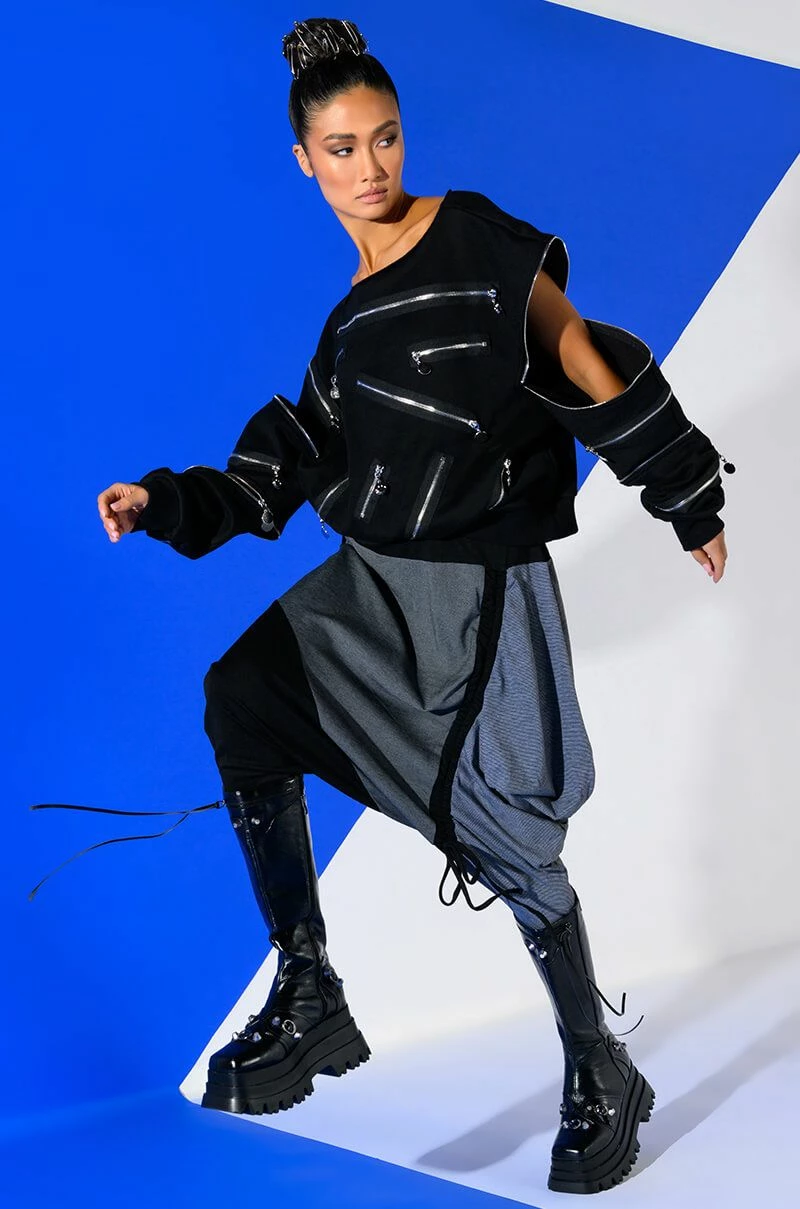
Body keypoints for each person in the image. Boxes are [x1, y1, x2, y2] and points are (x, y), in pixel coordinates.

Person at [39, 16, 733, 1196]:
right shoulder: (345, 329)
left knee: (509, 838)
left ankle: (596, 1064)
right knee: (241, 696)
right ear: (303, 162)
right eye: (343, 148)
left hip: (478, 590)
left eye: (386, 138)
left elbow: (576, 350)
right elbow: (279, 472)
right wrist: (160, 499)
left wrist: (679, 489)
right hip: (373, 585)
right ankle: (308, 987)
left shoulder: (470, 235)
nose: (371, 167)